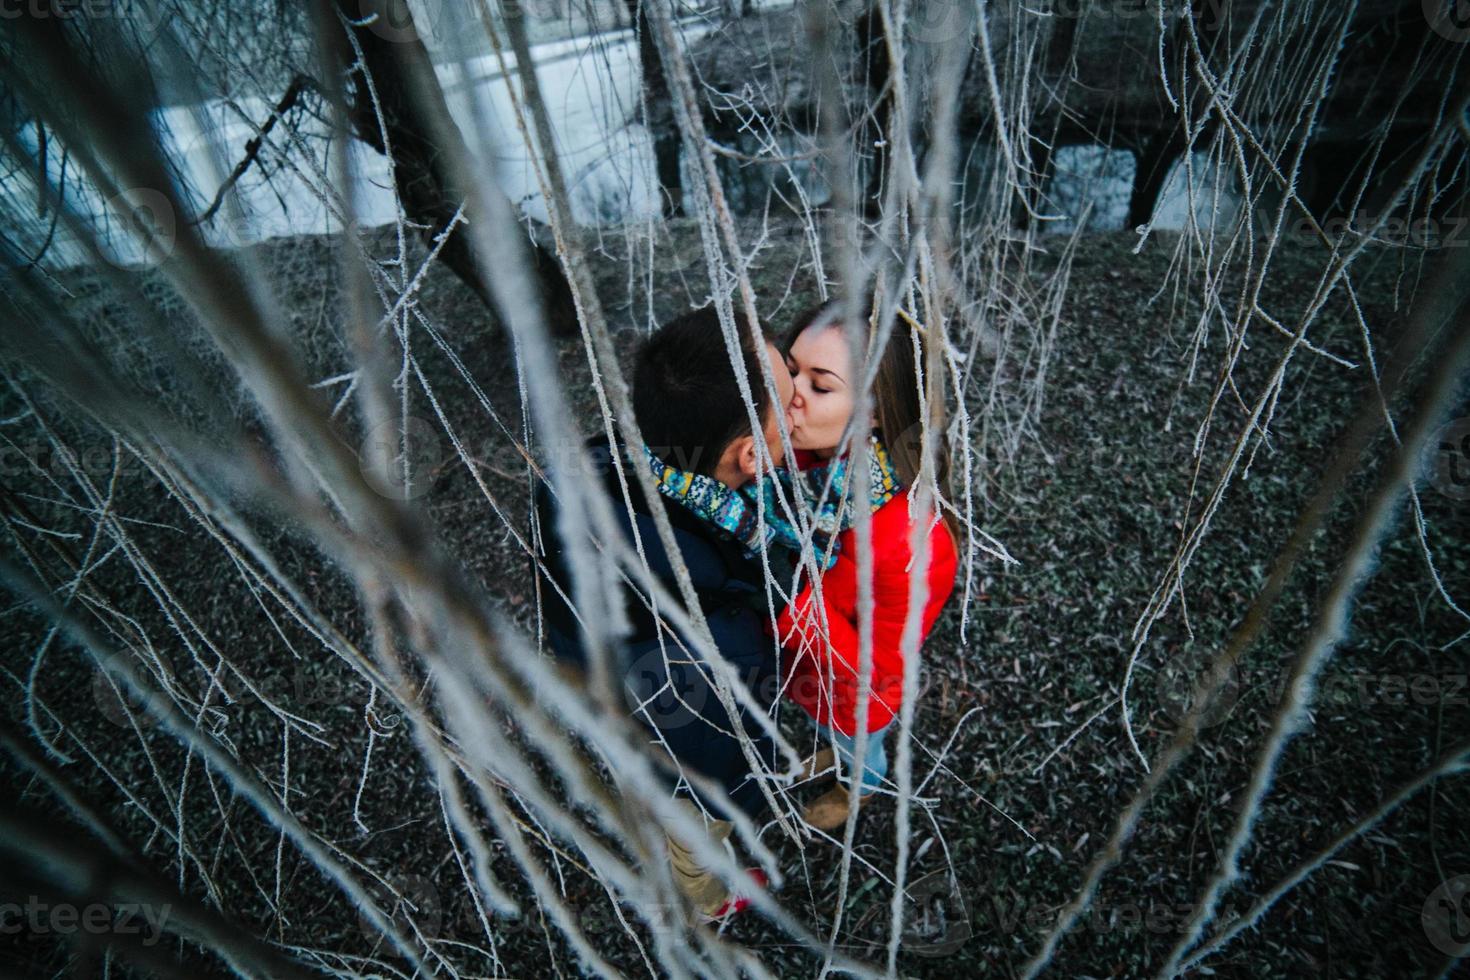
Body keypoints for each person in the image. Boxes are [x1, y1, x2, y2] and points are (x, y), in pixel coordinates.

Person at [531, 304, 794, 917]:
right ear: (751, 456)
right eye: (791, 405)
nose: (803, 408)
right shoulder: (723, 646)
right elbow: (716, 764)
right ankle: (703, 895)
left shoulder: (589, 475)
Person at [774, 299, 960, 831]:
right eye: (789, 372)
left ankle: (862, 784)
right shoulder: (800, 459)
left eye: (821, 385)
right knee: (824, 724)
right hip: (804, 667)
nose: (790, 397)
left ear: (876, 411)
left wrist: (789, 600)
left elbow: (879, 668)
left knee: (857, 741)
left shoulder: (910, 540)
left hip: (856, 696)